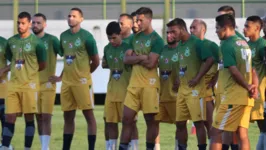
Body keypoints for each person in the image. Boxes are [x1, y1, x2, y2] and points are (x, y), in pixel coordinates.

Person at [50, 7, 99, 150]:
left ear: (81, 19)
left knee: (89, 116)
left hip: (82, 83)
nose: (71, 18)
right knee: (68, 117)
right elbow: (67, 59)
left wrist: (85, 75)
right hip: (67, 83)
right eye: (69, 16)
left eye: (74, 16)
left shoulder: (87, 37)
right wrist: (61, 76)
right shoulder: (63, 36)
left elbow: (95, 61)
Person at [119, 7, 164, 150]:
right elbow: (126, 59)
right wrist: (142, 57)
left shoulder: (157, 40)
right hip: (134, 85)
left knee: (151, 121)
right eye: (136, 20)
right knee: (127, 120)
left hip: (150, 86)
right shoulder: (133, 38)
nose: (137, 23)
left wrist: (136, 58)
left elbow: (151, 63)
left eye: (140, 20)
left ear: (149, 20)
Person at [210, 14, 258, 150]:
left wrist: (248, 86)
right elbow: (253, 69)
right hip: (246, 98)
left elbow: (233, 70)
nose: (216, 31)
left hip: (233, 97)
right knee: (242, 133)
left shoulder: (227, 44)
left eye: (217, 28)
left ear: (225, 28)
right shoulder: (244, 43)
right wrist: (253, 87)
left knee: (215, 132)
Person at [2, 11, 47, 150]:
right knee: (9, 117)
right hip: (13, 85)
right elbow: (12, 59)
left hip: (30, 86)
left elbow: (42, 64)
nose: (20, 26)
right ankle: (5, 146)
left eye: (23, 23)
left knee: (29, 118)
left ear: (29, 24)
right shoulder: (11, 41)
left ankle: (27, 148)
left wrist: (29, 73)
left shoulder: (37, 42)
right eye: (18, 23)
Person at [171, 18, 214, 150]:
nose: (172, 35)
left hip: (196, 91)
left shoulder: (198, 43)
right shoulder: (180, 46)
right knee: (179, 123)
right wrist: (179, 78)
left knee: (199, 123)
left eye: (174, 31)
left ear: (181, 30)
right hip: (182, 91)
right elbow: (184, 64)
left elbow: (210, 59)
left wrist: (197, 78)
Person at [32, 13, 63, 150]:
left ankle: (45, 148)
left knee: (46, 117)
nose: (35, 25)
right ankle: (43, 146)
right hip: (32, 85)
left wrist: (60, 77)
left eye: (38, 23)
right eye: (33, 23)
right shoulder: (27, 41)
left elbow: (68, 56)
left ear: (45, 24)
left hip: (48, 84)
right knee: (38, 117)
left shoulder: (52, 40)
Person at [102, 21, 134, 150]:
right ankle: (111, 147)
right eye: (109, 38)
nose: (111, 41)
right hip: (111, 91)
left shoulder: (128, 48)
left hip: (126, 92)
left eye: (114, 38)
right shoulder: (107, 48)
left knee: (128, 123)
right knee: (110, 122)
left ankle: (129, 147)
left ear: (120, 34)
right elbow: (105, 63)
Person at [190, 19, 219, 142]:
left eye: (194, 28)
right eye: (190, 27)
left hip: (207, 91)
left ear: (203, 30)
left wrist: (215, 79)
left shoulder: (211, 45)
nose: (191, 30)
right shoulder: (188, 46)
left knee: (210, 124)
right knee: (198, 124)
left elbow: (223, 64)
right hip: (192, 90)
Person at [154, 21, 179, 150]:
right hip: (161, 95)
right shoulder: (162, 49)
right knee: (154, 122)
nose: (169, 35)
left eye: (172, 32)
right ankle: (156, 148)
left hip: (177, 96)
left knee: (180, 125)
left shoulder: (183, 50)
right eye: (167, 32)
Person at [243, 15, 266, 150]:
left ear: (257, 28)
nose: (245, 29)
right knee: (261, 127)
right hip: (249, 91)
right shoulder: (246, 45)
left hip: (261, 92)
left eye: (247, 26)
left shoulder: (262, 45)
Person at [0, 36, 13, 150]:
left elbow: (14, 61)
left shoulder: (4, 42)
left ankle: (5, 144)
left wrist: (2, 70)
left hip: (2, 86)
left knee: (4, 116)